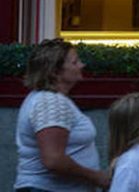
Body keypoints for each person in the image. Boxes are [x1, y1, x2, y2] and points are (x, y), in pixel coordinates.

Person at [15, 38, 111, 192]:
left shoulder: (49, 99)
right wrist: (96, 177)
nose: (81, 65)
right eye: (74, 62)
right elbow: (53, 160)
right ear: (55, 71)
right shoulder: (50, 102)